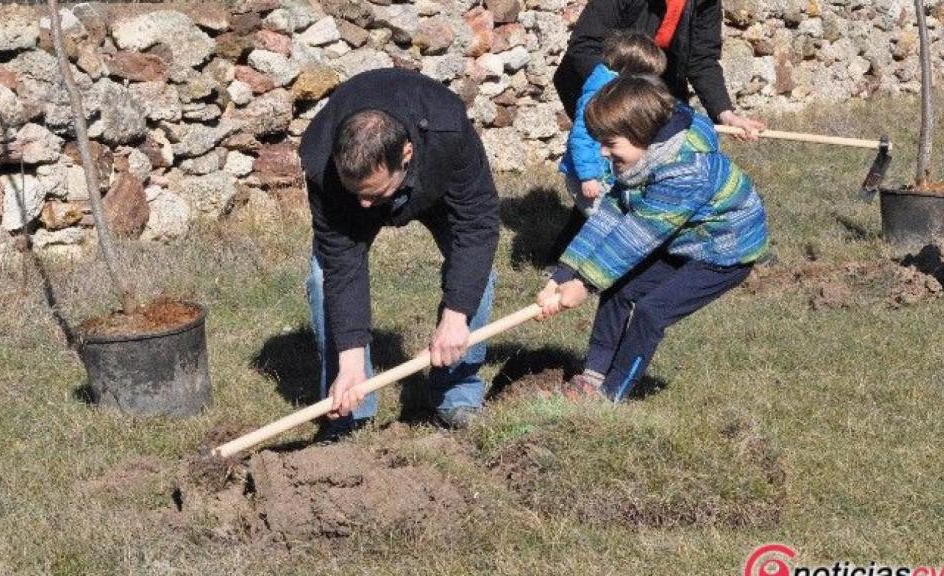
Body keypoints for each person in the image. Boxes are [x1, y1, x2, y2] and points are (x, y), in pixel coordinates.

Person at [537, 76, 769, 402]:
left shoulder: (686, 172)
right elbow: (611, 213)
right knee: (618, 288)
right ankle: (593, 376)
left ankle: (612, 394)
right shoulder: (640, 158)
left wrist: (584, 285)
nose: (602, 151)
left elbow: (636, 237)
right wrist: (564, 274)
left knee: (651, 313)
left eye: (610, 142)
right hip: (686, 237)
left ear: (640, 133)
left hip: (725, 251)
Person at [299, 68, 499, 435]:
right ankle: (350, 406)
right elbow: (342, 264)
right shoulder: (322, 159)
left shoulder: (448, 130)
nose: (364, 205)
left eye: (373, 192)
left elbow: (477, 227)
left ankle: (456, 393)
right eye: (356, 192)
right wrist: (350, 357)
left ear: (406, 154)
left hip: (436, 183)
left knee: (475, 274)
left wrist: (456, 315)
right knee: (321, 275)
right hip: (357, 188)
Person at [553, 0, 765, 139]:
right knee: (607, 163)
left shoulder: (705, 2)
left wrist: (726, 115)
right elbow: (584, 47)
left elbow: (702, 60)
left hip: (657, 80)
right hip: (599, 82)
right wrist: (626, 97)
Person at [559, 31, 667, 218]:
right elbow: (581, 136)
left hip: (606, 172)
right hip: (589, 176)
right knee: (606, 220)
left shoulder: (615, 88)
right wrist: (588, 176)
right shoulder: (599, 94)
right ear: (631, 71)